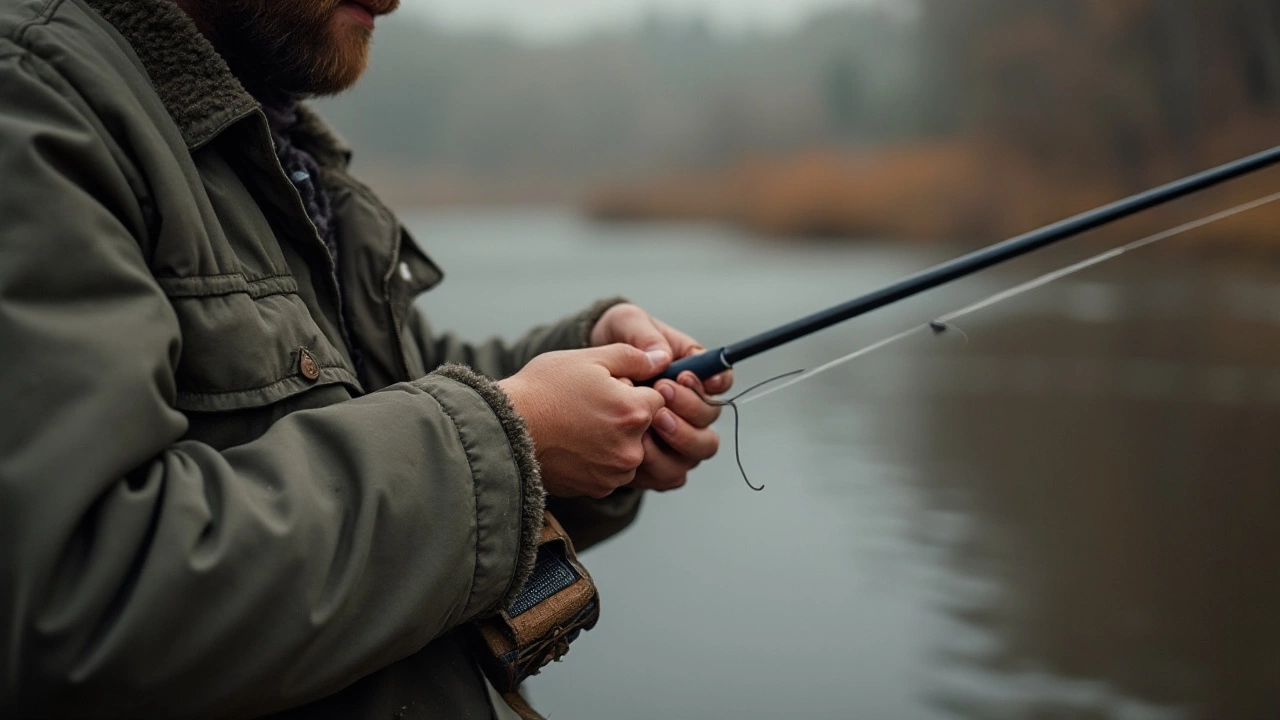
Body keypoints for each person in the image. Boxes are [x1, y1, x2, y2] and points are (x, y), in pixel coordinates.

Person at [0, 0, 732, 717]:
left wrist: (585, 377)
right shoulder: (31, 97)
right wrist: (518, 438)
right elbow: (78, 600)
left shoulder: (264, 129)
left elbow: (372, 391)